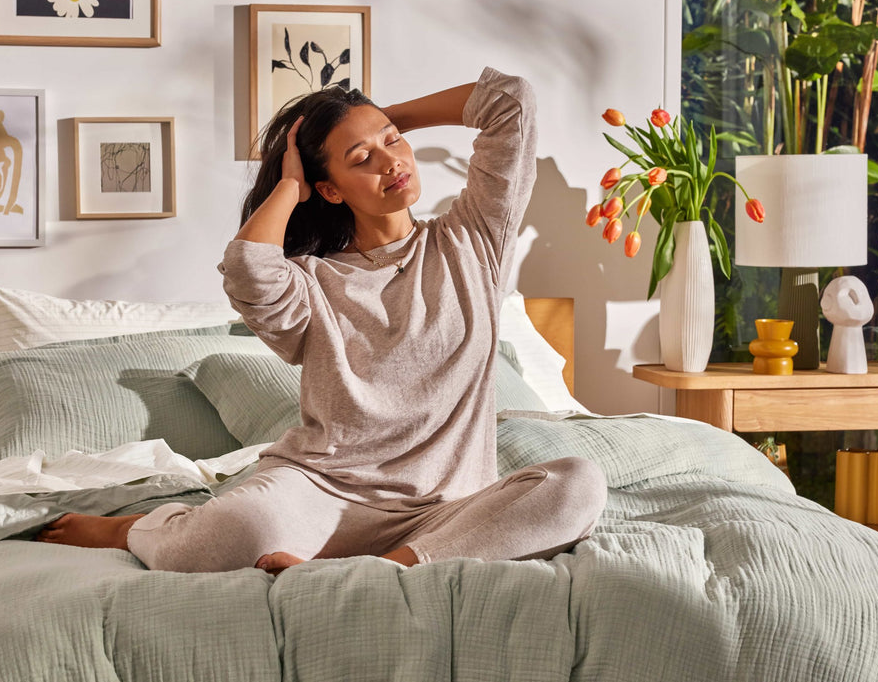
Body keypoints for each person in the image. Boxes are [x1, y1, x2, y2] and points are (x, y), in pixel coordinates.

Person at [37, 67, 608, 574]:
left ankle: (390, 570)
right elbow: (248, 270)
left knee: (578, 485)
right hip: (323, 493)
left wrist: (385, 118)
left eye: (392, 142)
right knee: (224, 538)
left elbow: (511, 101)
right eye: (362, 159)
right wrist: (290, 184)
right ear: (330, 189)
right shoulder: (312, 283)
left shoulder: (473, 242)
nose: (391, 160)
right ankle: (134, 528)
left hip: (446, 511)